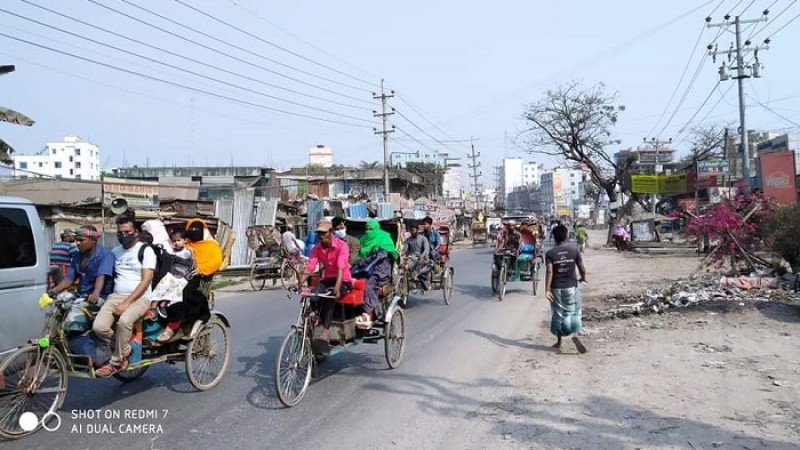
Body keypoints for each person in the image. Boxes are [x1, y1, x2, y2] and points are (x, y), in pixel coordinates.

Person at [93, 216, 157, 377]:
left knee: (124, 321)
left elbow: (146, 280)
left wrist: (127, 303)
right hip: (116, 296)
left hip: (141, 298)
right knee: (98, 327)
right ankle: (125, 348)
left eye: (127, 231)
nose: (123, 235)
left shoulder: (146, 250)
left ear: (136, 232)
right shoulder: (115, 251)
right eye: (120, 232)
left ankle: (115, 361)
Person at [49, 226, 115, 334]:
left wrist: (95, 294)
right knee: (57, 307)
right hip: (81, 296)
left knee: (74, 316)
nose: (78, 243)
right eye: (76, 240)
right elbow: (68, 279)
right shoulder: (77, 256)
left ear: (93, 240)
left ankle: (79, 344)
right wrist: (54, 290)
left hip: (99, 298)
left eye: (81, 240)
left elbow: (101, 277)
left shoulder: (105, 255)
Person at [299, 219, 353, 350]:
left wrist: (337, 286)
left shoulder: (341, 245)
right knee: (313, 294)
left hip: (343, 280)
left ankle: (325, 331)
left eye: (324, 233)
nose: (321, 235)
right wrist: (299, 282)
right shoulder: (317, 248)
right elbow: (310, 266)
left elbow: (341, 267)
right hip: (328, 279)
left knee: (329, 297)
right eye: (319, 233)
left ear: (331, 232)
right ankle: (316, 318)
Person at [545, 224, 588, 354]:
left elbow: (549, 271)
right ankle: (575, 333)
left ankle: (559, 342)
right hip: (571, 286)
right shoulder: (574, 250)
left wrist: (547, 290)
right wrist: (583, 277)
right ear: (566, 236)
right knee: (574, 310)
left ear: (554, 237)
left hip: (556, 288)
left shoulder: (550, 253)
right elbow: (582, 268)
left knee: (558, 313)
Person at [353, 219, 397, 328]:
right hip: (364, 268)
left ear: (377, 229)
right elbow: (359, 254)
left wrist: (367, 261)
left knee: (368, 284)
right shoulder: (363, 239)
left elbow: (382, 255)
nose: (368, 231)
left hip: (380, 269)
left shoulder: (384, 237)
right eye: (367, 229)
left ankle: (370, 311)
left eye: (371, 229)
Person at [403, 223, 432, 290]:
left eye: (413, 230)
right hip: (412, 258)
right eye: (411, 231)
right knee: (404, 266)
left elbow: (426, 249)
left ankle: (417, 275)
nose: (412, 232)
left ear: (417, 230)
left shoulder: (423, 239)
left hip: (422, 258)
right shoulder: (408, 240)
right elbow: (405, 249)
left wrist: (422, 256)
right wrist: (402, 253)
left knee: (429, 263)